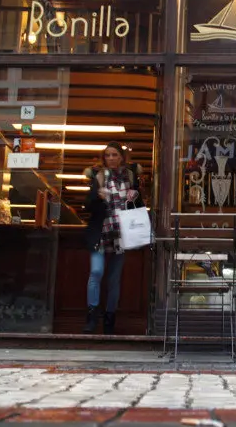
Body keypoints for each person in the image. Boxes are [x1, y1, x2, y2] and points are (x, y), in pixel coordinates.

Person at [82, 142, 143, 334]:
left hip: (121, 234)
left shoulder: (131, 177)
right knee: (97, 272)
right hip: (101, 233)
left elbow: (139, 205)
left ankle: (110, 318)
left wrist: (136, 196)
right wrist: (98, 196)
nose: (111, 158)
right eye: (107, 155)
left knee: (114, 279)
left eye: (114, 155)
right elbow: (87, 206)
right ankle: (92, 317)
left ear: (121, 157)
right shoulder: (99, 176)